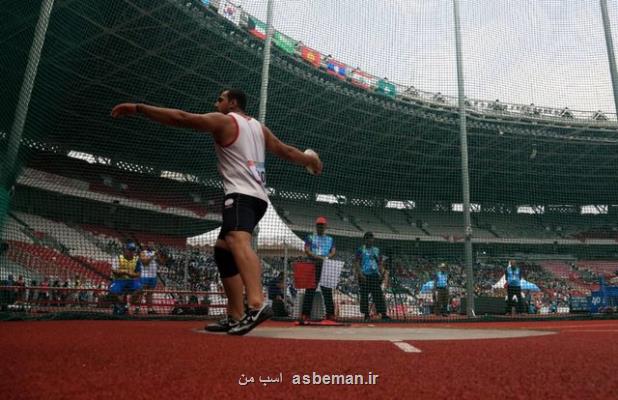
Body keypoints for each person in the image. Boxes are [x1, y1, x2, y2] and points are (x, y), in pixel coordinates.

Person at [112, 89, 322, 335]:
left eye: (220, 99)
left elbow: (182, 118)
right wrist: (310, 161)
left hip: (240, 196)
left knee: (236, 239)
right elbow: (286, 151)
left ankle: (255, 304)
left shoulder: (225, 120)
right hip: (258, 199)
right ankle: (235, 315)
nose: (216, 102)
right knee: (223, 252)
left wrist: (139, 108)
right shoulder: (258, 127)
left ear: (233, 102)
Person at [300, 217, 336, 322]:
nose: (320, 227)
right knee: (310, 290)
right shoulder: (310, 237)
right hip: (313, 264)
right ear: (316, 226)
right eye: (319, 225)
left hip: (325, 266)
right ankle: (305, 314)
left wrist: (327, 257)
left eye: (322, 225)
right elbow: (307, 250)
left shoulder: (330, 239)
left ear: (325, 227)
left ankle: (330, 314)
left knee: (327, 291)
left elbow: (333, 251)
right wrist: (318, 257)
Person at [355, 232, 389, 321]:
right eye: (368, 238)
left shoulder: (376, 250)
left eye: (371, 238)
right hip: (364, 276)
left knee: (378, 295)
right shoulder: (360, 249)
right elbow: (357, 263)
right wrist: (360, 274)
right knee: (364, 296)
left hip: (374, 275)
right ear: (365, 240)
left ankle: (383, 314)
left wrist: (382, 273)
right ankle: (366, 315)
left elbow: (379, 263)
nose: (370, 240)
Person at [109, 242, 142, 315]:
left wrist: (132, 274)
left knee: (140, 288)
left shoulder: (137, 260)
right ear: (125, 250)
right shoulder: (118, 258)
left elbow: (138, 274)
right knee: (112, 291)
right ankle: (119, 305)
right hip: (119, 280)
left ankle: (127, 305)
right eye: (130, 250)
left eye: (133, 250)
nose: (131, 252)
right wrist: (125, 272)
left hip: (131, 281)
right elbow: (114, 271)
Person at [136, 243, 159, 314]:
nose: (152, 245)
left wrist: (159, 255)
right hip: (144, 276)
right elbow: (145, 263)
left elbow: (161, 262)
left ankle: (150, 309)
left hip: (153, 276)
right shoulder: (142, 252)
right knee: (141, 293)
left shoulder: (155, 252)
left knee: (150, 293)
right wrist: (153, 255)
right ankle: (137, 309)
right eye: (150, 243)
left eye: (152, 243)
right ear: (147, 244)